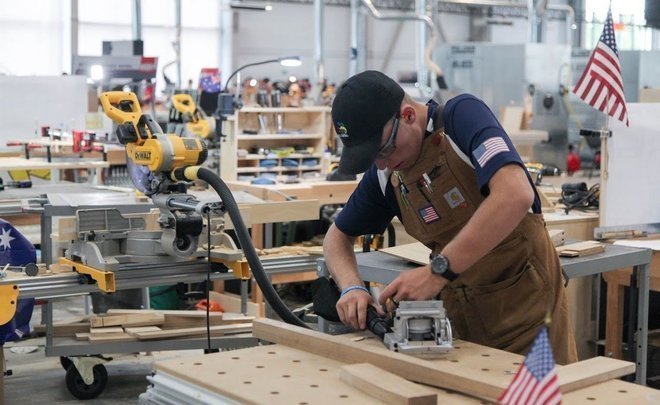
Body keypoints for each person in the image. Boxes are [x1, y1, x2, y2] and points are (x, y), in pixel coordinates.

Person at [323, 70, 577, 364]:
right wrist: (352, 287)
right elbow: (336, 237)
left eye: (384, 150)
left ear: (408, 116)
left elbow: (515, 194)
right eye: (373, 158)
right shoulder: (386, 173)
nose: (382, 164)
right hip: (461, 327)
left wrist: (436, 273)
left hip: (531, 317)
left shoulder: (462, 118)